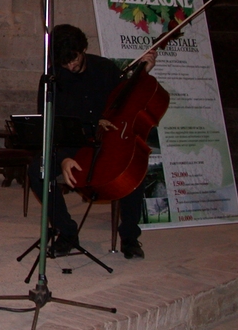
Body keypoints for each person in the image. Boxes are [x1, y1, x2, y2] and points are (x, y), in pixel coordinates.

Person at [27, 24, 157, 260]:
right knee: (38, 170)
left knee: (132, 168)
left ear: (83, 48)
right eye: (64, 62)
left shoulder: (105, 68)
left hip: (107, 139)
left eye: (74, 59)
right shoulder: (52, 78)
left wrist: (143, 72)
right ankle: (66, 232)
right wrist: (63, 157)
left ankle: (129, 236)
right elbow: (49, 124)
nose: (70, 66)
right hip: (70, 144)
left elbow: (126, 100)